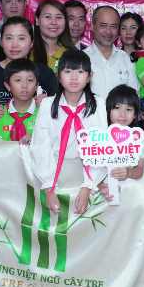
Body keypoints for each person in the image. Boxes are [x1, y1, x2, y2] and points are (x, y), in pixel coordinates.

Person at [29, 49, 108, 216]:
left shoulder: (98, 104)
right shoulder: (47, 105)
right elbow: (41, 146)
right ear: (58, 76)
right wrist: (49, 187)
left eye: (80, 72)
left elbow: (99, 148)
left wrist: (88, 186)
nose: (74, 77)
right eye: (68, 71)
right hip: (52, 173)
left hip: (87, 174)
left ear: (89, 77)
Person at [0, 16, 57, 116]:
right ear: (1, 42)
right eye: (9, 38)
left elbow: (59, 108)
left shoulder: (45, 73)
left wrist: (48, 103)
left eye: (21, 38)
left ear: (31, 43)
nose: (14, 45)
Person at [84, 6, 139, 99]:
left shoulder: (126, 58)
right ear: (92, 26)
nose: (108, 32)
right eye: (103, 25)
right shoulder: (82, 58)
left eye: (113, 26)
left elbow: (135, 95)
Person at [0, 59, 40, 142]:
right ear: (8, 86)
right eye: (18, 80)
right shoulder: (0, 113)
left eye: (30, 80)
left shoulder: (43, 112)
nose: (24, 85)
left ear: (36, 86)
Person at [32, 0, 73, 73]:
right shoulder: (27, 52)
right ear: (37, 20)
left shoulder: (72, 54)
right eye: (48, 17)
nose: (54, 22)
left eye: (58, 17)